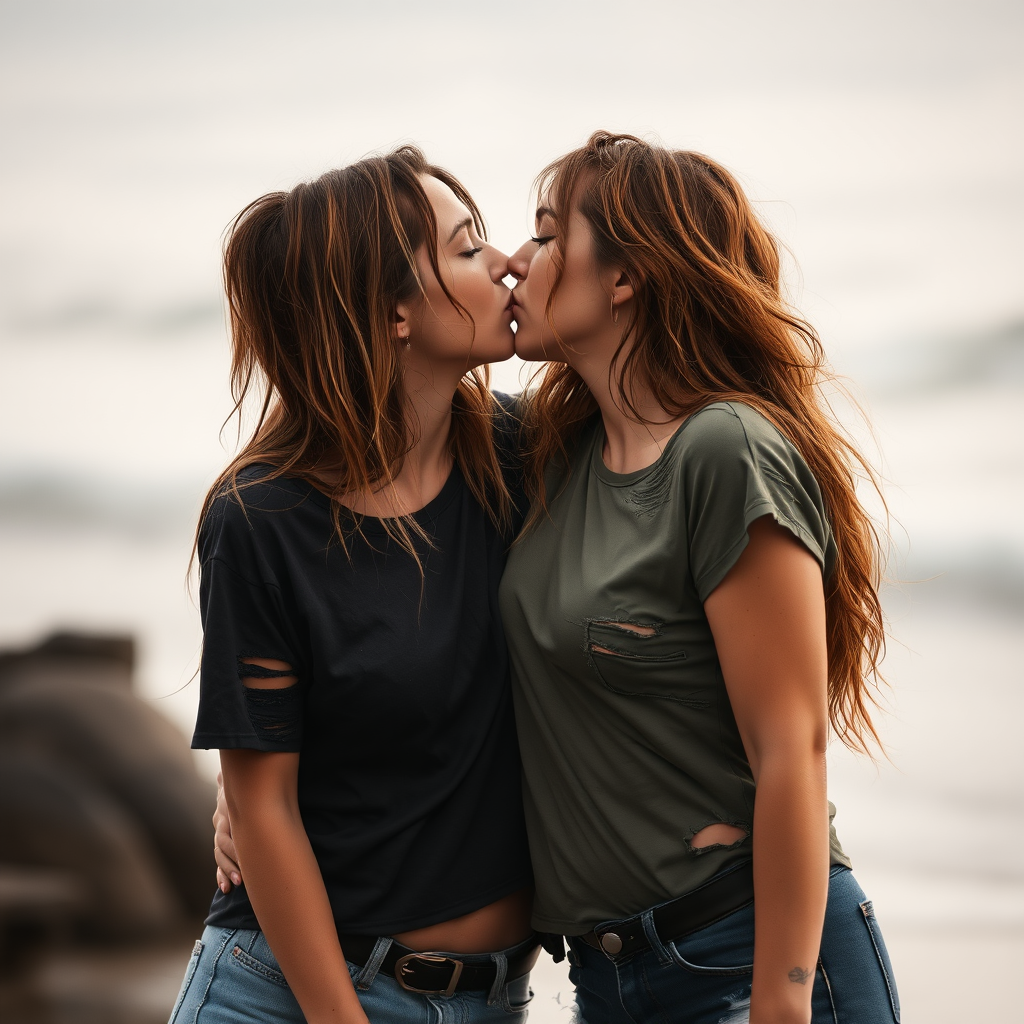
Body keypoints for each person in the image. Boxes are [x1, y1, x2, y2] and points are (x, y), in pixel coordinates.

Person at [499, 131, 899, 1023]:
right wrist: (253, 782)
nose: (516, 263)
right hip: (609, 978)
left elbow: (791, 748)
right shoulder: (550, 454)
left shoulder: (724, 451)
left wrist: (782, 1006)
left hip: (748, 959)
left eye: (547, 233)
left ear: (624, 275)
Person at [168, 147, 539, 1024]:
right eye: (464, 248)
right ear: (395, 311)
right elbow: (265, 813)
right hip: (288, 995)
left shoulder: (528, 460)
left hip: (496, 1001)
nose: (505, 263)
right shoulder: (261, 520)